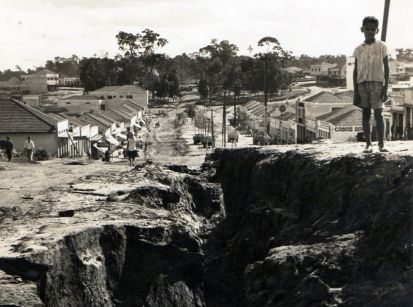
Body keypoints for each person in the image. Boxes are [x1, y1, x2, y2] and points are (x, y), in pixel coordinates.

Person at [353, 16, 389, 153]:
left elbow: (387, 68)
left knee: (379, 114)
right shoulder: (358, 49)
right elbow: (355, 71)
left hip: (377, 84)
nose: (370, 32)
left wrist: (385, 88)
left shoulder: (382, 47)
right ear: (362, 29)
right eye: (367, 29)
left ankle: (381, 144)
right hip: (362, 85)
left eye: (373, 29)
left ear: (377, 30)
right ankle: (368, 144)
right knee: (366, 114)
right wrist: (356, 92)